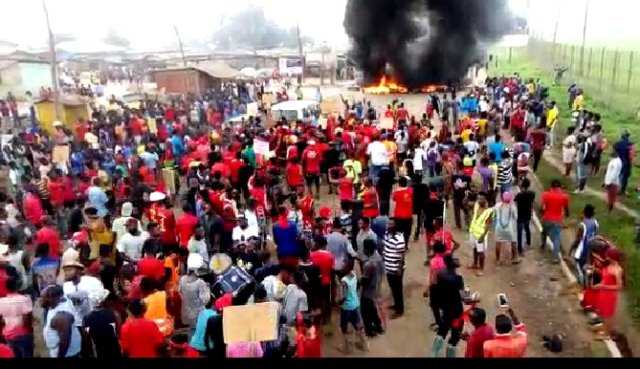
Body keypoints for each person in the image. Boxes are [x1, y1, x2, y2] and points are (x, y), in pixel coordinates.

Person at [431, 254, 464, 358]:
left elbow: (435, 293)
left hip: (445, 308)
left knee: (441, 332)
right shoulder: (458, 278)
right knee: (454, 337)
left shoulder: (440, 275)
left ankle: (435, 354)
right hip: (457, 310)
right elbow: (462, 295)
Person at [40, 285, 82, 358]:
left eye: (43, 297)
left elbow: (64, 342)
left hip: (68, 354)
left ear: (53, 298)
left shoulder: (61, 317)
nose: (41, 300)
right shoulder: (61, 300)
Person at [338, 258, 368, 353]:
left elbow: (344, 296)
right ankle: (365, 345)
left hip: (346, 307)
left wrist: (338, 302)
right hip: (355, 304)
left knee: (344, 327)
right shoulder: (354, 274)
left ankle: (346, 347)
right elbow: (358, 286)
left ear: (347, 267)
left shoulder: (344, 280)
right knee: (358, 325)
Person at [593, 248, 624, 341]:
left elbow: (619, 286)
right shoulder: (610, 265)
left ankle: (606, 334)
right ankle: (604, 328)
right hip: (603, 293)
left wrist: (603, 286)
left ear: (612, 258)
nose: (606, 257)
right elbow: (605, 276)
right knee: (603, 312)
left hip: (609, 295)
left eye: (607, 256)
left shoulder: (617, 270)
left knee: (608, 315)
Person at [82, 288, 122, 358]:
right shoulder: (113, 314)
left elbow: (87, 337)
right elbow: (118, 333)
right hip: (114, 348)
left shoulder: (86, 318)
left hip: (98, 350)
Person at [0, 277, 33, 358]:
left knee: (15, 354)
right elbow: (27, 319)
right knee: (27, 354)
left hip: (8, 334)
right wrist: (30, 329)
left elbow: (1, 319)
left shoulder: (1, 301)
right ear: (17, 286)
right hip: (23, 333)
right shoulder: (24, 299)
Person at [179, 254, 211, 336]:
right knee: (198, 332)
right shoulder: (200, 283)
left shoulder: (182, 279)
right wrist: (207, 288)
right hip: (198, 314)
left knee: (191, 330)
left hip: (186, 312)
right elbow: (205, 300)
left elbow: (180, 292)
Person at [541, 179, 570, 263]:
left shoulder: (545, 195)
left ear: (551, 186)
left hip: (547, 218)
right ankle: (555, 258)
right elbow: (566, 209)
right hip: (557, 220)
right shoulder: (564, 196)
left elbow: (542, 207)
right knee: (556, 238)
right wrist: (567, 215)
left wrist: (543, 213)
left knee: (544, 233)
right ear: (560, 187)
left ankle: (542, 245)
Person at [570, 205, 599, 288]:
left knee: (579, 267)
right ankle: (590, 284)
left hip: (583, 250)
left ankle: (583, 286)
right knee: (589, 267)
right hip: (593, 250)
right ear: (593, 213)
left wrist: (571, 249)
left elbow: (577, 240)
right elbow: (596, 236)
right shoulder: (596, 223)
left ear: (584, 213)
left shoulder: (581, 225)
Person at [359, 239, 384, 338]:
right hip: (376, 287)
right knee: (373, 309)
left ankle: (369, 331)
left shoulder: (368, 264)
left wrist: (358, 283)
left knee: (365, 312)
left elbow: (365, 281)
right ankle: (378, 327)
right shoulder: (378, 257)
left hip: (368, 291)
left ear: (366, 250)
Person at [383, 218, 406, 318]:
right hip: (388, 267)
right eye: (388, 223)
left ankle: (399, 310)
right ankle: (396, 305)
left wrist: (399, 269)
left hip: (396, 268)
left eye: (391, 224)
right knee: (393, 288)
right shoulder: (387, 234)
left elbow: (402, 255)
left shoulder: (399, 239)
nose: (388, 225)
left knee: (398, 290)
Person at [468, 193, 494, 276]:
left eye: (480, 199)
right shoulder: (476, 205)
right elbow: (466, 204)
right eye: (478, 198)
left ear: (485, 200)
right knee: (474, 249)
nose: (478, 200)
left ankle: (481, 268)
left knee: (481, 252)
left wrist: (482, 236)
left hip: (480, 234)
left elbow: (488, 225)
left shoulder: (489, 211)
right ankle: (475, 263)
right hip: (473, 232)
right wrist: (466, 197)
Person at [494, 191, 519, 265]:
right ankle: (514, 258)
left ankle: (498, 260)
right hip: (509, 227)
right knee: (513, 241)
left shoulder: (498, 205)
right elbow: (516, 217)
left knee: (498, 242)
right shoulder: (512, 207)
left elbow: (494, 212)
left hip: (499, 226)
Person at [514, 179, 535, 256]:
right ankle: (528, 243)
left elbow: (515, 200)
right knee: (527, 228)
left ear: (522, 185)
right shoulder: (532, 194)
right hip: (528, 214)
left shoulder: (519, 195)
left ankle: (520, 249)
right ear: (529, 186)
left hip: (520, 215)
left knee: (519, 233)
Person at [391, 176, 413, 248]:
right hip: (408, 215)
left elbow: (394, 199)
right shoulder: (410, 190)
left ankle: (399, 245)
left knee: (398, 232)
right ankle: (405, 245)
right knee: (407, 232)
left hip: (398, 215)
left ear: (399, 184)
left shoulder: (396, 192)